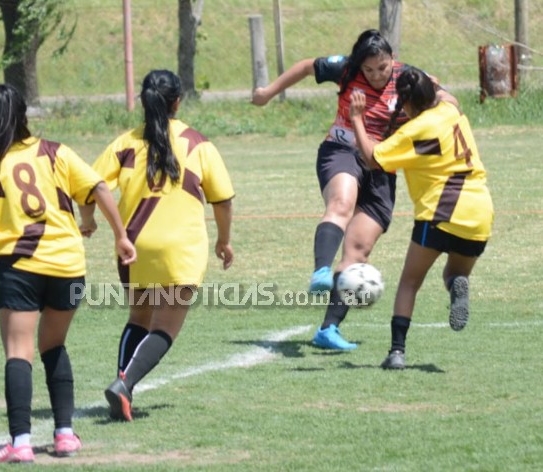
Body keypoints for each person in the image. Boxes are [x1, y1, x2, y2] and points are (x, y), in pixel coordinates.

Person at [0, 84, 136, 463]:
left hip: (19, 268)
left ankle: (21, 442)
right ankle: (65, 435)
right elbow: (97, 186)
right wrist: (120, 236)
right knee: (53, 346)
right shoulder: (54, 152)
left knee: (19, 352)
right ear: (23, 116)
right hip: (67, 266)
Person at [252, 29, 458, 350]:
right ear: (359, 65)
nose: (377, 75)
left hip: (381, 167)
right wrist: (268, 92)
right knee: (341, 203)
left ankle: (328, 330)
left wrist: (440, 98)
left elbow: (447, 100)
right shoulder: (346, 68)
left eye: (383, 67)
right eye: (370, 69)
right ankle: (321, 270)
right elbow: (308, 66)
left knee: (358, 251)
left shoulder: (406, 77)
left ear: (393, 59)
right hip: (342, 150)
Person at [79, 69, 235, 421]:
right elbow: (222, 200)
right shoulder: (197, 143)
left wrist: (87, 221)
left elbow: (88, 186)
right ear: (177, 101)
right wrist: (224, 242)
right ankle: (125, 384)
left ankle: (124, 390)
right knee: (164, 327)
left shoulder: (124, 143)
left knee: (139, 317)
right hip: (180, 250)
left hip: (134, 247)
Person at [349, 67, 493, 369]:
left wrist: (357, 120)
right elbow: (447, 95)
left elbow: (372, 157)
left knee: (410, 282)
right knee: (453, 274)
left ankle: (397, 352)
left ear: (407, 103)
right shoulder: (449, 110)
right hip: (479, 210)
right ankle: (457, 285)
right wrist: (432, 84)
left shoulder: (415, 131)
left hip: (440, 211)